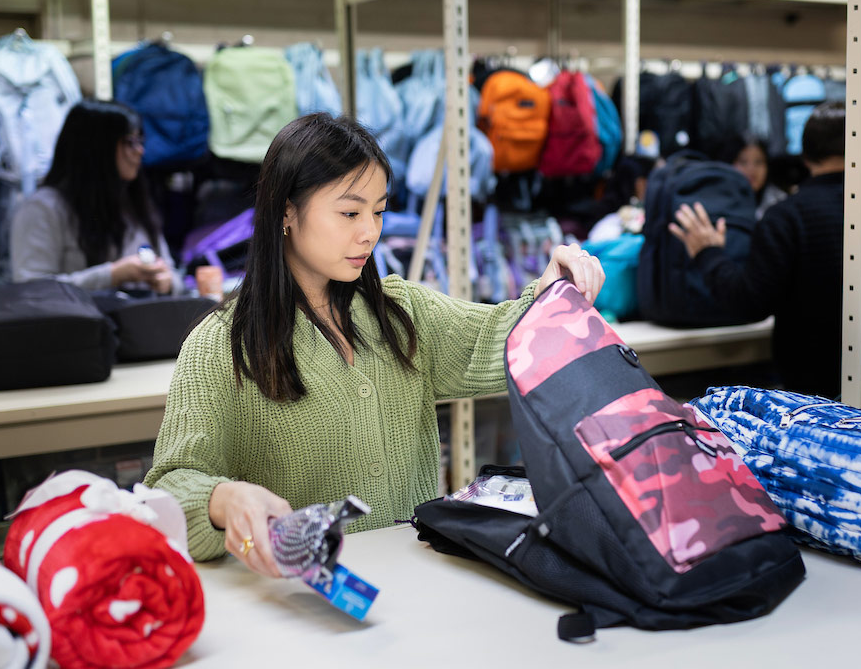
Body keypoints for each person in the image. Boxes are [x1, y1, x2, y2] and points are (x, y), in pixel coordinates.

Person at [145, 113, 604, 578]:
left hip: (424, 589)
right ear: (286, 210)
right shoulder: (222, 345)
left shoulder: (399, 313)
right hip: (301, 608)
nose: (369, 231)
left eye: (379, 210)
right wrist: (222, 499)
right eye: (349, 212)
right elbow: (170, 487)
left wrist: (551, 294)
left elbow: (503, 339)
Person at [669, 102, 861, 398]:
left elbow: (750, 303)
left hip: (812, 398)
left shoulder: (787, 217)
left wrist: (708, 253)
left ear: (805, 156)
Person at [10, 99, 178, 293]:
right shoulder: (43, 208)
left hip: (143, 319)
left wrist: (168, 282)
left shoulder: (134, 202)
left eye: (140, 141)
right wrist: (111, 275)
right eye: (129, 142)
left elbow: (171, 270)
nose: (140, 151)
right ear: (96, 147)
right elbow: (30, 290)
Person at [713, 132, 786, 220]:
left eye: (758, 162)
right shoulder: (717, 203)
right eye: (743, 162)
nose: (751, 169)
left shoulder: (780, 201)